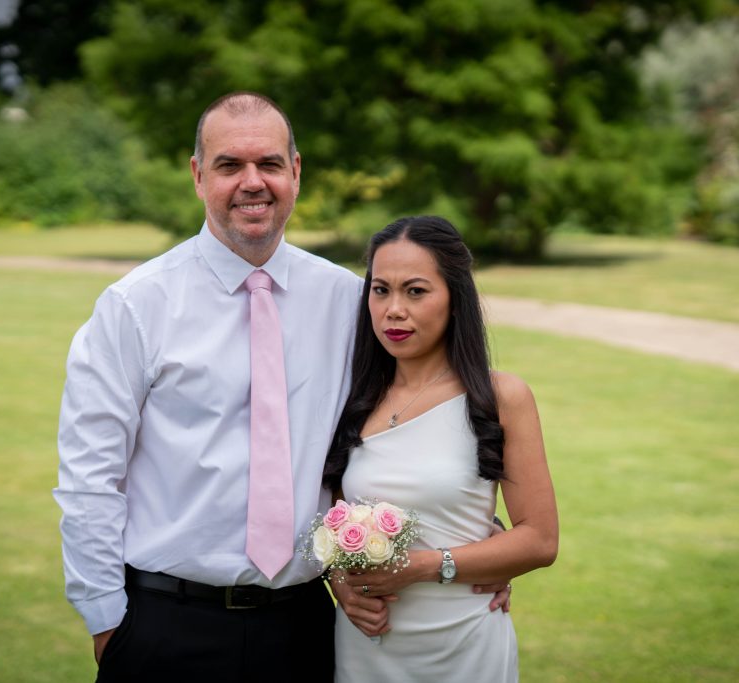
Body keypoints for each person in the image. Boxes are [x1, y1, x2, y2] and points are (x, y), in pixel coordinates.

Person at [54, 91, 508, 681]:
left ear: (296, 172)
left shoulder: (350, 301)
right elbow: (90, 478)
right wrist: (107, 624)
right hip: (166, 625)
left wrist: (472, 539)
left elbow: (404, 423)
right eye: (229, 165)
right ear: (197, 176)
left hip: (306, 628)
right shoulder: (136, 307)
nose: (253, 182)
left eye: (269, 164)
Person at [322, 215, 559, 682]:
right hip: (368, 643)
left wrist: (428, 566)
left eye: (415, 291)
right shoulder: (346, 398)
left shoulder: (499, 398)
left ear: (455, 298)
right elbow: (323, 510)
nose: (393, 310)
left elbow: (540, 539)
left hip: (464, 644)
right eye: (380, 290)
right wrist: (339, 580)